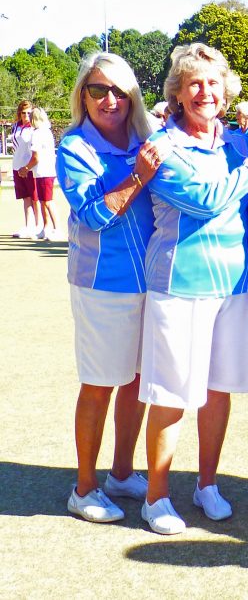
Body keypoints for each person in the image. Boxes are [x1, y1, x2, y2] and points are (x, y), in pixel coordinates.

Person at [138, 43, 248, 535]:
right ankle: (156, 496)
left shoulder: (237, 143)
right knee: (172, 393)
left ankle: (207, 484)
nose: (205, 92)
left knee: (218, 389)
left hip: (234, 285)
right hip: (180, 284)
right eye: (194, 84)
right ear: (178, 94)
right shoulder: (163, 146)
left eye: (213, 83)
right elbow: (208, 200)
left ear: (226, 93)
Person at [56, 52, 162, 523]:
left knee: (137, 382)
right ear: (83, 95)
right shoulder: (74, 148)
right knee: (99, 384)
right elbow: (94, 216)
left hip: (152, 281)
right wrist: (138, 176)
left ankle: (121, 472)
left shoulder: (148, 137)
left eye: (120, 90)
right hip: (102, 283)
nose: (110, 99)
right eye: (98, 89)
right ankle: (84, 488)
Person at [21, 107, 61, 240]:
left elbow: (35, 157)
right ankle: (46, 228)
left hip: (44, 172)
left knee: (48, 201)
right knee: (43, 201)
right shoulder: (46, 131)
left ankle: (57, 229)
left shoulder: (38, 133)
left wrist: (25, 168)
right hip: (43, 172)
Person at [11, 100, 40, 238]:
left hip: (30, 167)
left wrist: (28, 167)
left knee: (35, 197)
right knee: (25, 197)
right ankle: (28, 226)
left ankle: (39, 226)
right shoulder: (15, 127)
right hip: (17, 165)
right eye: (23, 113)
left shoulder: (34, 128)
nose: (26, 115)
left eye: (29, 113)